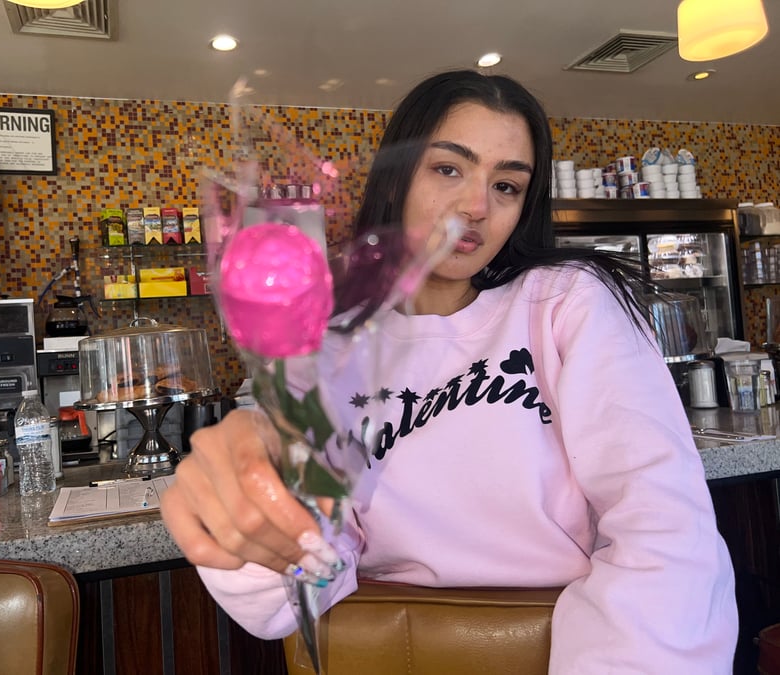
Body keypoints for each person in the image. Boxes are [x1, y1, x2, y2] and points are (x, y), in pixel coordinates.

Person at [160, 69, 738, 672]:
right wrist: (251, 511)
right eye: (448, 169)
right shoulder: (332, 349)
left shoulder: (564, 302)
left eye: (508, 185)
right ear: (397, 177)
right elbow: (290, 594)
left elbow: (661, 525)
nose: (476, 206)